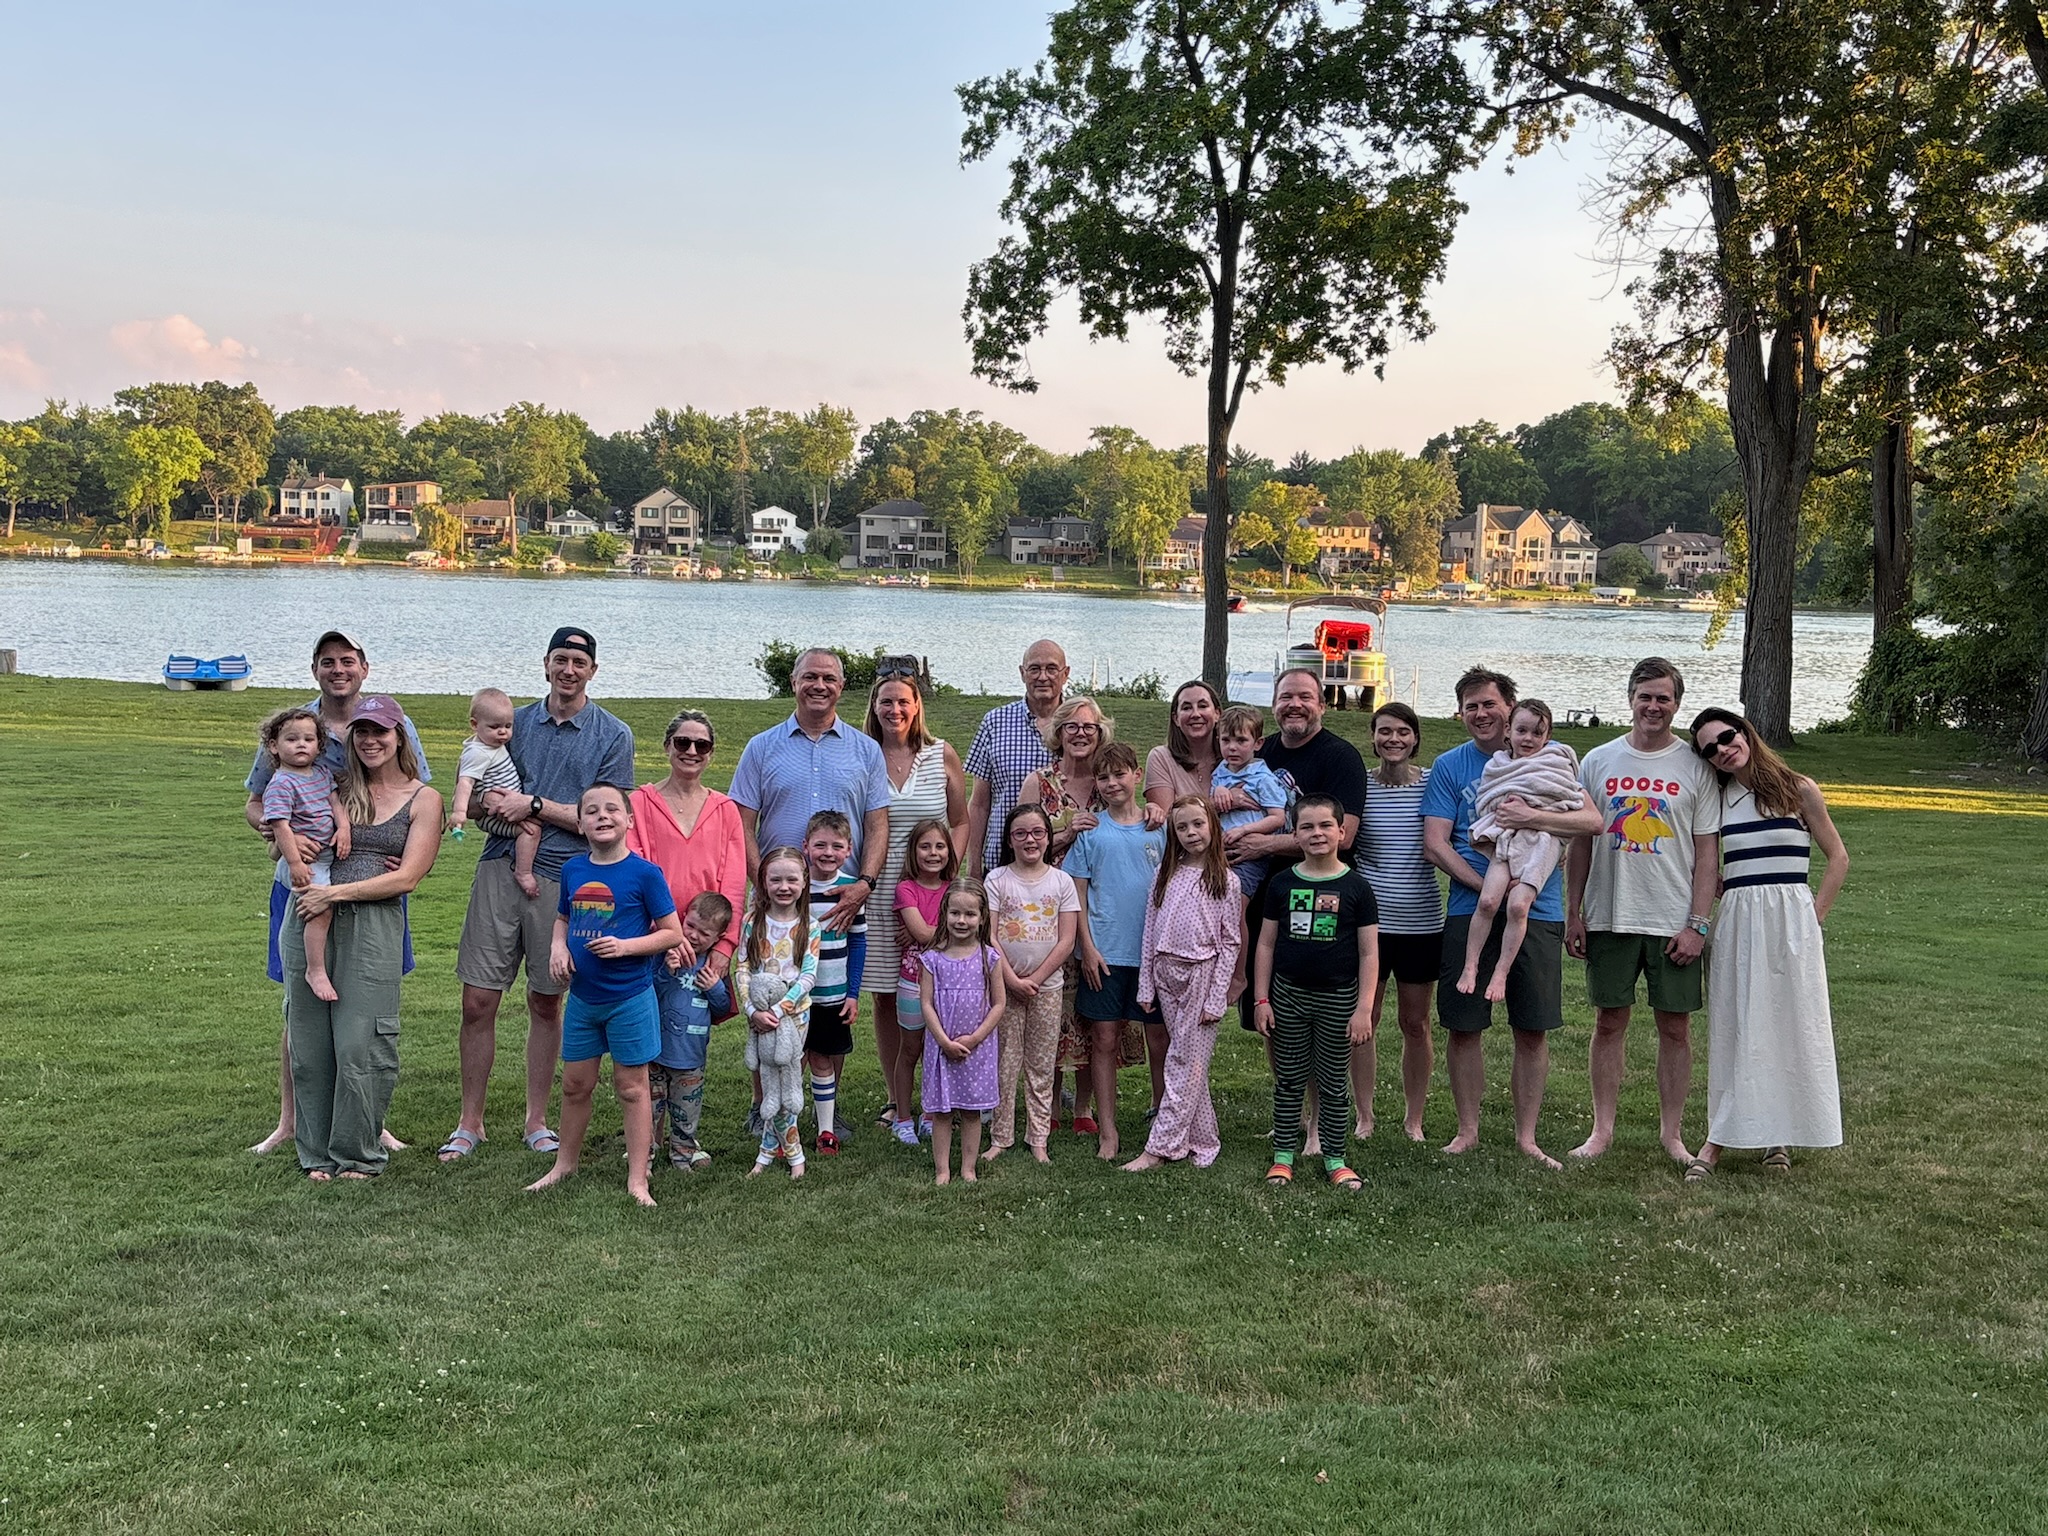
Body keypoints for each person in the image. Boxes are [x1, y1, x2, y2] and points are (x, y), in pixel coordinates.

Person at [444, 626, 634, 1164]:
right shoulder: (511, 724)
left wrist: (532, 806)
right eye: (560, 659)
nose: (568, 670)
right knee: (477, 999)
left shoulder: (612, 735)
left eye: (579, 661)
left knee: (546, 1000)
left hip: (571, 880)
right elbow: (476, 799)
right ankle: (470, 1123)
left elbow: (606, 822)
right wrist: (483, 806)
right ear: (545, 664)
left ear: (593, 670)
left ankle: (536, 1121)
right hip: (498, 869)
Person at [244, 629, 430, 1157]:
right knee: (298, 1004)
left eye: (347, 660)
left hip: (368, 888)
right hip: (307, 880)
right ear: (315, 670)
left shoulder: (392, 721)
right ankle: (291, 1119)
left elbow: (407, 797)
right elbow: (256, 805)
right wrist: (281, 836)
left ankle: (370, 1122)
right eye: (327, 662)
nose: (338, 670)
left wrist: (389, 849)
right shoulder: (294, 726)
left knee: (366, 1006)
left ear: (364, 667)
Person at [1424, 667, 1601, 1168]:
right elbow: (1436, 843)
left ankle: (1527, 1136)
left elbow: (1590, 820)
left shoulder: (1551, 759)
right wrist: (1487, 890)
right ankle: (1467, 1131)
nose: (1481, 714)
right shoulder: (1450, 765)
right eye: (1471, 706)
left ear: (1512, 711)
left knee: (1532, 1026)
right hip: (1470, 905)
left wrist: (1533, 819)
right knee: (1464, 1024)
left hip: (1537, 907)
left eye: (1490, 705)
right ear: (1460, 713)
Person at [1565, 657, 1723, 1166]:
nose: (1653, 706)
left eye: (1664, 698)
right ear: (1630, 698)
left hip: (1671, 919)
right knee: (1609, 1022)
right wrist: (1574, 912)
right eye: (1645, 696)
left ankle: (1671, 1134)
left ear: (1677, 704)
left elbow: (1706, 855)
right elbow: (1580, 845)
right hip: (1610, 914)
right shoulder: (1598, 762)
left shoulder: (1695, 768)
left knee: (1674, 1028)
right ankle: (1601, 1130)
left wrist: (1697, 924)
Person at [284, 695, 443, 1180]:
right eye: (362, 732)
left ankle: (358, 1153)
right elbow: (277, 824)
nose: (371, 740)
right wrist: (290, 843)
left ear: (400, 737)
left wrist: (337, 894)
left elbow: (409, 877)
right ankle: (316, 1154)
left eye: (381, 732)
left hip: (370, 925)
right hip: (308, 916)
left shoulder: (425, 798)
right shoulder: (332, 785)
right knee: (310, 1044)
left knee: (361, 1043)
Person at [1686, 708, 1848, 1180]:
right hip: (1738, 919)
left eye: (1727, 737)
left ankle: (1773, 1136)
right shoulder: (1718, 799)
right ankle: (1721, 1137)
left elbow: (1837, 857)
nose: (1722, 750)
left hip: (1789, 920)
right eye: (1710, 749)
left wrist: (1812, 916)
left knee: (1786, 1022)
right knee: (1739, 1024)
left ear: (1746, 732)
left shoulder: (1799, 790)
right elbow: (1708, 860)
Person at [1222, 668, 1368, 1156]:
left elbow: (1345, 834)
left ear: (1321, 704)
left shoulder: (1340, 757)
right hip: (1268, 902)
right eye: (1286, 697)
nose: (1295, 705)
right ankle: (1295, 1113)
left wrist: (1264, 843)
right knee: (1275, 1018)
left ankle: (1320, 1125)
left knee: (1322, 1020)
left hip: (1323, 901)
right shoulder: (1262, 753)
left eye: (1305, 696)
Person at [526, 784, 683, 1207]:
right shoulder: (574, 869)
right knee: (576, 1085)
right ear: (580, 824)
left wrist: (625, 947)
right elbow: (563, 918)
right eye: (592, 811)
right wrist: (558, 947)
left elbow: (672, 933)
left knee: (632, 1087)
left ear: (630, 820)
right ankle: (564, 1164)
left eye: (613, 809)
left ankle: (638, 1178)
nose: (603, 816)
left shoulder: (645, 874)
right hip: (582, 1000)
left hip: (629, 998)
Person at [628, 708, 747, 1168]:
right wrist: (665, 932)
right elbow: (638, 867)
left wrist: (722, 948)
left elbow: (733, 882)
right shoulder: (640, 801)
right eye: (683, 742)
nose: (691, 751)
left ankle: (683, 1139)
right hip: (651, 938)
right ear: (667, 747)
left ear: (712, 754)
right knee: (643, 1042)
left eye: (701, 745)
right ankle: (644, 1138)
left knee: (686, 1039)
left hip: (703, 944)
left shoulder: (725, 809)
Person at [1247, 793, 1377, 1192]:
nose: (1317, 833)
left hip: (1339, 998)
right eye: (1307, 826)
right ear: (1295, 834)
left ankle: (1335, 1157)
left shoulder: (1356, 886)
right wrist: (1262, 999)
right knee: (1288, 1078)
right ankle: (1283, 1156)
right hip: (1288, 996)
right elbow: (1265, 944)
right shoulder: (1282, 883)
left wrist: (1364, 1008)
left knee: (1334, 1081)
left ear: (1342, 831)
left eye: (1325, 826)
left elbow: (1369, 951)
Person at [861, 671, 967, 1134]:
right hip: (881, 888)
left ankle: (939, 1096)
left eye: (903, 701)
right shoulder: (863, 754)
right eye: (886, 701)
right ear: (875, 706)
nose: (895, 710)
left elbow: (960, 821)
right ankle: (895, 1097)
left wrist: (943, 883)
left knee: (939, 995)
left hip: (934, 893)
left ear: (917, 704)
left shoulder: (940, 753)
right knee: (889, 993)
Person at [1123, 795, 1241, 1174]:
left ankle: (1160, 1147)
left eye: (1198, 824)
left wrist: (1217, 996)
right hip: (1164, 971)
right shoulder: (1165, 874)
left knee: (1182, 1062)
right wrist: (1146, 986)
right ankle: (1204, 1141)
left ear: (1212, 826)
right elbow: (1149, 931)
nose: (1192, 833)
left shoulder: (1227, 880)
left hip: (1201, 975)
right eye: (1182, 827)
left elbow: (1230, 942)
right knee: (1191, 1063)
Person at [1066, 742, 1166, 1161]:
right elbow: (1078, 898)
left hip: (1155, 955)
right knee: (1104, 1038)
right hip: (1106, 953)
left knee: (1159, 1039)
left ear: (1137, 775)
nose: (1111, 784)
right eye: (1103, 778)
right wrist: (1086, 949)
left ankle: (1165, 1120)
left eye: (1119, 775)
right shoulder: (1091, 832)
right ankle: (1108, 1131)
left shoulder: (1159, 828)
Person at [1350, 703, 1440, 1143]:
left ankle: (1414, 1118)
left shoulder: (1431, 785)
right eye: (1385, 732)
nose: (1394, 740)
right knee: (1364, 1016)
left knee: (1416, 1023)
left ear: (1415, 738)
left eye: (1403, 732)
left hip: (1422, 923)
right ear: (1373, 737)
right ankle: (1364, 1115)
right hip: (1370, 927)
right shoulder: (1361, 788)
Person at [1455, 700, 1582, 1004]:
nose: (1528, 739)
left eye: (1537, 734)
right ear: (1509, 730)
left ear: (1547, 736)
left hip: (1542, 842)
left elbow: (1566, 797)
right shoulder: (1497, 765)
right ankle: (1470, 966)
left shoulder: (1556, 762)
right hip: (1506, 838)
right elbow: (1488, 797)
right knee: (1487, 900)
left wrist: (1535, 810)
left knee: (1517, 906)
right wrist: (1508, 809)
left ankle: (1501, 971)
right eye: (1522, 730)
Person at [983, 803, 1079, 1164]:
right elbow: (988, 934)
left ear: (1047, 837)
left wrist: (1035, 979)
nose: (1030, 840)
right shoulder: (997, 879)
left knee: (1041, 1064)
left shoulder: (1061, 881)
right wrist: (1010, 978)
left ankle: (1038, 1137)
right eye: (1020, 833)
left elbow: (1066, 939)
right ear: (1010, 840)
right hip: (1003, 987)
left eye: (1038, 832)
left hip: (1047, 987)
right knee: (1005, 1063)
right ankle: (1001, 1136)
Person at [734, 846, 821, 1178]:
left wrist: (780, 1009)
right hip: (759, 1018)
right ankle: (777, 1151)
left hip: (794, 1018)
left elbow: (808, 975)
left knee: (788, 1084)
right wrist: (753, 1010)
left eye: (791, 879)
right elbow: (742, 968)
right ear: (763, 882)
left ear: (804, 882)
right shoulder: (752, 922)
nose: (784, 887)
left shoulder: (810, 926)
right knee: (770, 1085)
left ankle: (781, 1153)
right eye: (776, 880)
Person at [257, 707, 351, 1003]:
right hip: (307, 862)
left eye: (309, 739)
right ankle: (315, 969)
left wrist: (345, 827)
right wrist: (295, 862)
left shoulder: (321, 773)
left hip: (328, 855)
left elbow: (335, 801)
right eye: (292, 739)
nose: (301, 744)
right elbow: (280, 826)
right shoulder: (281, 783)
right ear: (274, 746)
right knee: (319, 908)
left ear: (319, 745)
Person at [918, 877, 1007, 1186]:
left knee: (971, 1111)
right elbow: (926, 1003)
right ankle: (942, 1169)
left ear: (982, 917)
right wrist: (943, 1040)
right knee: (942, 1113)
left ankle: (968, 1167)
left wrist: (976, 1037)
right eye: (955, 913)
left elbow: (999, 1003)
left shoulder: (990, 957)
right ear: (945, 914)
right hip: (941, 1046)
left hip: (977, 1048)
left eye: (970, 914)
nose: (962, 920)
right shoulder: (931, 959)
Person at [645, 892, 734, 1174]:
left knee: (686, 1112)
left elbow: (722, 1009)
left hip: (691, 1058)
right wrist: (665, 972)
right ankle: (642, 1152)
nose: (694, 936)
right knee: (648, 1108)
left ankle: (682, 1156)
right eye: (690, 926)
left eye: (703, 933)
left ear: (717, 938)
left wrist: (714, 988)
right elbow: (648, 993)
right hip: (656, 1051)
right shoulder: (663, 956)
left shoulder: (713, 967)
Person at [965, 638, 1069, 874]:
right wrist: (973, 868)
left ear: (1065, 674)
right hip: (1002, 860)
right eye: (1034, 668)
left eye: (1052, 668)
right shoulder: (995, 722)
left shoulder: (1080, 726)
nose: (1043, 677)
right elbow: (980, 803)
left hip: (1067, 865)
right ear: (1022, 673)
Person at [890, 817, 958, 1145]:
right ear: (913, 852)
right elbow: (920, 932)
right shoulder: (906, 889)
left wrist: (934, 934)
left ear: (949, 850)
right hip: (913, 983)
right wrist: (950, 933)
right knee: (911, 1049)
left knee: (936, 1051)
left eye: (940, 846)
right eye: (925, 846)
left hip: (949, 986)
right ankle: (902, 1117)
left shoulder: (954, 889)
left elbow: (969, 930)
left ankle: (930, 1115)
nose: (933, 853)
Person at [803, 810, 867, 1156]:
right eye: (820, 845)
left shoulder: (851, 891)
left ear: (849, 849)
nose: (828, 852)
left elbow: (858, 943)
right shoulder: (794, 887)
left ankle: (826, 1129)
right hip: (794, 997)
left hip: (831, 995)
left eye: (836, 846)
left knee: (823, 1060)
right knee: (789, 1062)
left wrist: (853, 993)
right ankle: (782, 1128)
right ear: (806, 847)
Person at [450, 687, 543, 899]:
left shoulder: (488, 744)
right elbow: (464, 783)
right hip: (493, 815)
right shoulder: (478, 753)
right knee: (531, 831)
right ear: (475, 725)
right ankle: (524, 872)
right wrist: (459, 813)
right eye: (495, 727)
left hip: (506, 806)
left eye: (508, 726)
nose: (503, 732)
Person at [1019, 694, 1111, 865]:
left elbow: (1129, 823)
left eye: (1089, 727)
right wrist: (1067, 835)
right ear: (1059, 733)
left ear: (1099, 734)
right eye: (1071, 727)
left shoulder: (1109, 783)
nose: (1081, 733)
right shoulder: (1037, 783)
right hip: (1049, 889)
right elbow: (1020, 848)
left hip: (1103, 888)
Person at [1212, 704, 1290, 896]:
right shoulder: (1219, 772)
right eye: (1226, 740)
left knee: (1237, 904)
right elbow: (1209, 809)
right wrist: (1220, 791)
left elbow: (1277, 818)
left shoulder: (1263, 779)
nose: (1232, 747)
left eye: (1241, 741)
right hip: (1218, 851)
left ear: (1258, 743)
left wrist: (1244, 830)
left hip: (1249, 855)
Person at [1143, 679, 1225, 815]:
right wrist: (1219, 803)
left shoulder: (1235, 758)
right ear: (1176, 718)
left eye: (1203, 706)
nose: (1195, 714)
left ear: (1217, 714)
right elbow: (1166, 821)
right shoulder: (1161, 758)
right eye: (1186, 708)